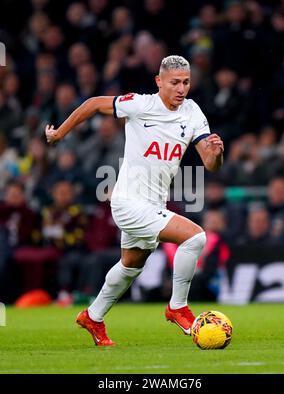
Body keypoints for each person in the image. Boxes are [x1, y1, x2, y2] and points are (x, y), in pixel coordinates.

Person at [45, 55, 224, 346]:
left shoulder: (192, 112)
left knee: (131, 265)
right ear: (159, 82)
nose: (181, 89)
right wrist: (59, 134)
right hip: (127, 202)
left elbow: (210, 163)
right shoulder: (140, 105)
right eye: (175, 82)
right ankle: (178, 307)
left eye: (186, 82)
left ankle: (93, 316)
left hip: (154, 205)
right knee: (195, 237)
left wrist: (217, 153)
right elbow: (92, 104)